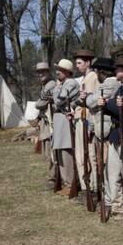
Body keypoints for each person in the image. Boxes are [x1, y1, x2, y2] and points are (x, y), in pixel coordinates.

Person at [98, 54, 123, 223]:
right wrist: (106, 105)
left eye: (118, 68)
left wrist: (107, 104)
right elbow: (116, 107)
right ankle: (117, 207)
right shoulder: (121, 88)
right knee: (113, 174)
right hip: (116, 134)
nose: (115, 71)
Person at [86, 58, 120, 218]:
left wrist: (89, 98)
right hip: (101, 129)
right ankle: (108, 199)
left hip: (107, 130)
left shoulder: (110, 83)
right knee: (104, 168)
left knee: (109, 169)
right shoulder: (105, 84)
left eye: (97, 71)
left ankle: (112, 201)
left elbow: (91, 102)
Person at [73, 49, 100, 203]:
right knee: (81, 156)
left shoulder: (92, 78)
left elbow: (92, 103)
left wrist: (90, 125)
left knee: (88, 155)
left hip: (87, 120)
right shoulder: (85, 78)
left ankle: (93, 189)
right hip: (80, 118)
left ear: (88, 62)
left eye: (80, 62)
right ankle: (86, 188)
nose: (77, 66)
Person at [51, 59, 80, 195]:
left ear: (67, 72)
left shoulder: (71, 83)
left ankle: (70, 182)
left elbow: (59, 101)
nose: (57, 72)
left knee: (67, 152)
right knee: (60, 152)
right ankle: (64, 181)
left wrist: (56, 89)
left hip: (65, 119)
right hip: (60, 119)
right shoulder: (63, 84)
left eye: (61, 70)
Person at [34, 62, 57, 189]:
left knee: (51, 151)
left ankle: (53, 178)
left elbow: (40, 104)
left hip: (50, 122)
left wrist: (39, 104)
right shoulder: (44, 85)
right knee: (47, 151)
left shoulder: (51, 84)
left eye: (43, 71)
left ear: (48, 72)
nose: (41, 74)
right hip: (45, 121)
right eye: (39, 72)